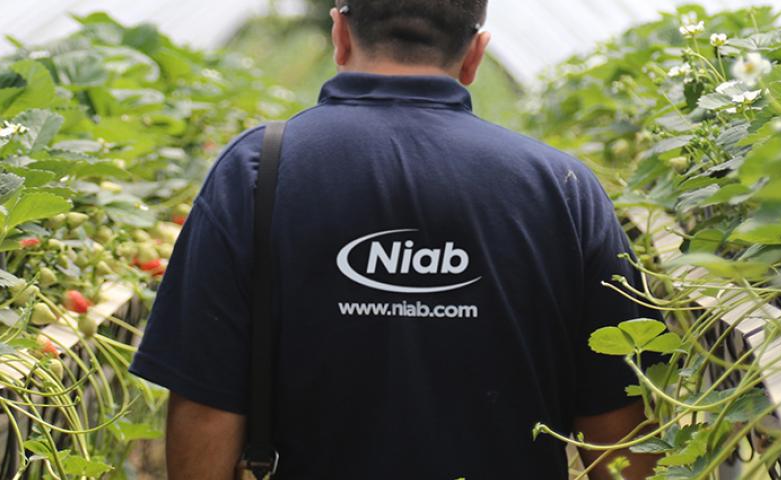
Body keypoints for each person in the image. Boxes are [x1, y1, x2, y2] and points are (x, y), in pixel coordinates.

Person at [129, 0, 658, 478]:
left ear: (339, 35)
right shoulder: (560, 188)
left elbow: (205, 404)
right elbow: (617, 426)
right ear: (476, 54)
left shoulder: (257, 171)